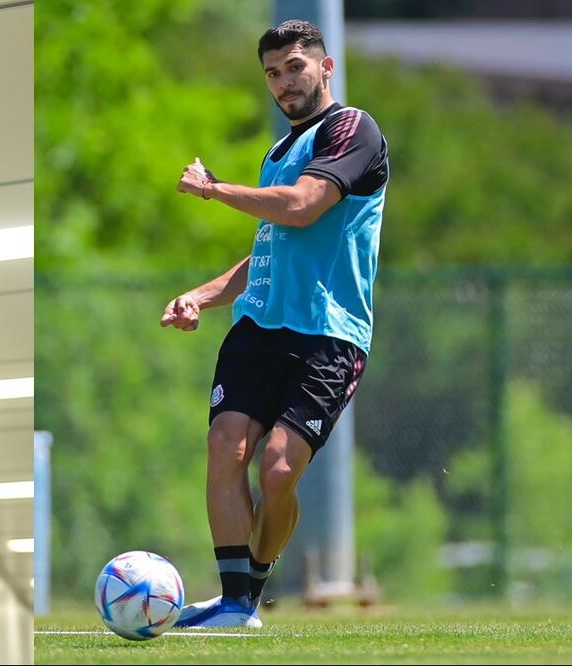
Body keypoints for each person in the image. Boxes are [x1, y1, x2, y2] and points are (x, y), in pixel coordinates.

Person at [161, 19, 389, 628]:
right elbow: (270, 245)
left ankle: (249, 593)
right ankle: (234, 605)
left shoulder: (352, 129)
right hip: (258, 327)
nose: (284, 82)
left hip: (329, 333)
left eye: (294, 66)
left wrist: (212, 190)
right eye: (272, 73)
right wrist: (201, 296)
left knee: (281, 467)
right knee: (223, 448)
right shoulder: (277, 152)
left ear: (325, 66)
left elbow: (302, 207)